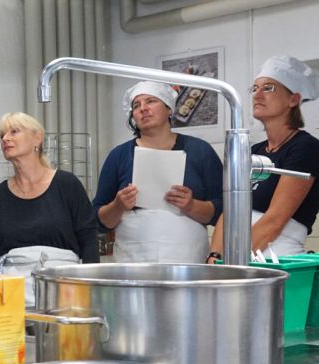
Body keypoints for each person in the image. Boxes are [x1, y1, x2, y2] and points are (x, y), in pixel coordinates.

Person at [92, 81, 223, 263]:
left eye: (151, 101)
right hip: (134, 260)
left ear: (169, 109)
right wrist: (118, 205)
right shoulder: (119, 156)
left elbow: (222, 211)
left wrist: (191, 205)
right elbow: (98, 220)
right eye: (136, 106)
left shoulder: (200, 151)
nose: (143, 108)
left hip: (188, 260)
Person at [0, 112, 98, 305]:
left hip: (64, 294)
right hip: (10, 299)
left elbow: (89, 240)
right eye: (2, 135)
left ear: (37, 138)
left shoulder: (67, 185)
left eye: (14, 131)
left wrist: (93, 293)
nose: (5, 139)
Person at [209, 56, 319, 262]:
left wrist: (232, 261)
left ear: (293, 99)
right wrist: (214, 256)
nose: (257, 95)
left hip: (278, 260)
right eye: (255, 88)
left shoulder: (305, 148)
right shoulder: (253, 151)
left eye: (268, 88)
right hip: (239, 257)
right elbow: (229, 212)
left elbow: (274, 221)